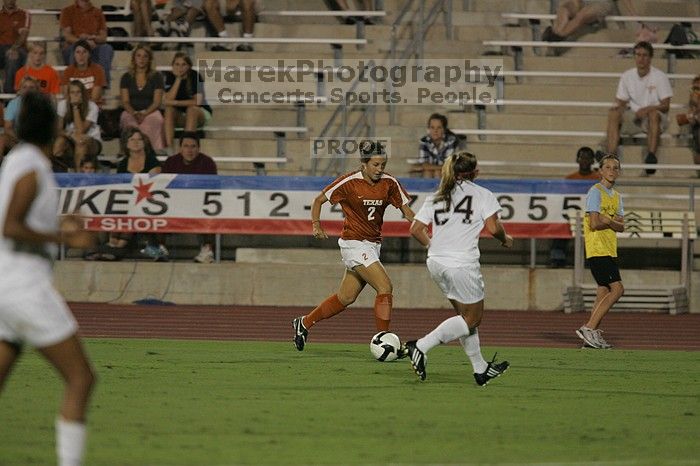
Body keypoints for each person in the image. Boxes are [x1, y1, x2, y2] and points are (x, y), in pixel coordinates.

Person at [0, 90, 96, 466]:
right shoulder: (32, 167)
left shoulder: (16, 160)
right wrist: (64, 236)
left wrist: (57, 224)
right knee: (81, 379)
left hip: (5, 287)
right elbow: (9, 225)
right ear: (54, 126)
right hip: (24, 288)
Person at [292, 142, 416, 352]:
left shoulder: (390, 183)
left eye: (383, 164)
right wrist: (316, 225)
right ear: (364, 164)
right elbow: (319, 200)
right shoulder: (349, 182)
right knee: (385, 287)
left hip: (373, 245)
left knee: (345, 298)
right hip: (353, 243)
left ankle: (304, 323)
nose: (380, 169)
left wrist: (422, 227)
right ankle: (383, 340)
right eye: (375, 164)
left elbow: (406, 210)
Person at [404, 152, 513, 385]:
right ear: (475, 172)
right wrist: (505, 239)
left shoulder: (438, 195)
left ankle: (480, 368)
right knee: (472, 319)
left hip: (436, 262)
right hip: (461, 264)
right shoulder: (483, 195)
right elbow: (493, 229)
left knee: (463, 318)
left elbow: (415, 229)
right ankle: (420, 346)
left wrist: (432, 246)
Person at [576, 154, 625, 349]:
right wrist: (609, 222)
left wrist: (609, 221)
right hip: (597, 248)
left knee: (603, 292)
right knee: (618, 289)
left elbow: (621, 226)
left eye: (615, 168)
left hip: (609, 249)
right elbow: (594, 223)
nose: (612, 171)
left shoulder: (617, 196)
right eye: (608, 167)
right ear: (601, 171)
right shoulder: (595, 192)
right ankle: (588, 328)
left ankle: (591, 336)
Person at [605, 41, 672, 175]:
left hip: (655, 117)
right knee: (613, 114)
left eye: (645, 55)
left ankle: (651, 156)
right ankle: (611, 156)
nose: (641, 58)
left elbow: (666, 105)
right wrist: (618, 107)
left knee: (653, 114)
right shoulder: (627, 76)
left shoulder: (660, 76)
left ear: (650, 57)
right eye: (638, 55)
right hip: (634, 116)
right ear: (634, 56)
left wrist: (647, 109)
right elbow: (621, 101)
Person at [161, 132, 217, 263]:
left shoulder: (207, 163)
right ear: (180, 148)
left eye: (193, 146)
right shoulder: (171, 162)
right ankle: (160, 248)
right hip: (173, 203)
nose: (189, 150)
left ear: (198, 148)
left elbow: (212, 187)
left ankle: (207, 250)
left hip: (199, 203)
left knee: (209, 212)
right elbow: (163, 186)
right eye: (186, 146)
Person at [550, 146, 600, 267]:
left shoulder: (598, 179)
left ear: (592, 161)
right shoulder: (569, 179)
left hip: (591, 216)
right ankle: (558, 260)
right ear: (577, 160)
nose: (584, 161)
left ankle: (592, 262)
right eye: (582, 158)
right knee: (559, 229)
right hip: (571, 216)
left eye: (588, 158)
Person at [162, 52, 212, 151]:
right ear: (173, 65)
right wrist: (178, 79)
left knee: (191, 110)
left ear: (189, 66)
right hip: (179, 115)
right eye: (177, 64)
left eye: (183, 64)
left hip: (199, 113)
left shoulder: (195, 75)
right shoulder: (169, 76)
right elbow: (168, 100)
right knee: (169, 110)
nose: (180, 67)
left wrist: (176, 103)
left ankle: (186, 148)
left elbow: (197, 102)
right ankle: (169, 149)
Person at [120, 45, 165, 151]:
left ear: (149, 59)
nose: (141, 59)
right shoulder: (126, 77)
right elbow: (125, 101)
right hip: (131, 111)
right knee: (127, 119)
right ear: (134, 58)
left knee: (155, 119)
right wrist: (134, 113)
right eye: (138, 56)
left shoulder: (157, 77)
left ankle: (153, 152)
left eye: (145, 56)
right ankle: (128, 152)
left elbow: (157, 102)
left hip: (150, 111)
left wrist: (144, 113)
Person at [59, 0, 114, 86]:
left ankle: (101, 85)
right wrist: (83, 42)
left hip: (93, 46)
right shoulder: (67, 11)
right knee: (77, 48)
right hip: (73, 46)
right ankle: (75, 86)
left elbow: (103, 37)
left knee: (106, 48)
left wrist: (93, 38)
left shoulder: (98, 12)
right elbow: (67, 36)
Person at [54, 80, 102, 171]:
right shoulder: (62, 105)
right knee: (58, 143)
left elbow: (81, 131)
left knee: (80, 142)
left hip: (92, 140)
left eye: (78, 92)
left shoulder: (92, 106)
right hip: (71, 138)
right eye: (72, 92)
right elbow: (58, 129)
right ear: (68, 94)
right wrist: (71, 135)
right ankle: (58, 174)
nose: (75, 95)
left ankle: (77, 176)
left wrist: (75, 107)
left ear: (83, 94)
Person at [542, 0, 637, 42]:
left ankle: (559, 34)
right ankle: (557, 32)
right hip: (584, 2)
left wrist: (634, 14)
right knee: (563, 8)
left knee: (581, 15)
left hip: (602, 3)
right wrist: (576, 7)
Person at [60, 39, 107, 105]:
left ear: (89, 54)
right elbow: (66, 95)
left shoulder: (98, 69)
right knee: (62, 105)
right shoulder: (68, 71)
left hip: (91, 105)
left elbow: (94, 97)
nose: (81, 55)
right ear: (74, 55)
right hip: (73, 105)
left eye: (84, 52)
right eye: (78, 52)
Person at [0, 74, 37, 157]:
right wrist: (21, 140)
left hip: (37, 142)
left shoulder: (43, 105)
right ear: (20, 90)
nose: (28, 90)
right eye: (25, 87)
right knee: (1, 139)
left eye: (31, 87)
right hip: (17, 140)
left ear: (36, 90)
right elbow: (8, 128)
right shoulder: (13, 104)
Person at [415, 113, 460, 178]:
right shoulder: (424, 142)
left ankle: (442, 188)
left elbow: (448, 166)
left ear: (444, 129)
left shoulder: (451, 141)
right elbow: (424, 165)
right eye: (432, 127)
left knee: (438, 173)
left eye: (439, 127)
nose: (435, 131)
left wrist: (433, 168)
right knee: (427, 173)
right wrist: (436, 168)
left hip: (449, 174)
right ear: (429, 129)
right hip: (430, 172)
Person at [0, 0, 30, 94]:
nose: (10, 0)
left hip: (19, 47)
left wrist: (14, 48)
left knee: (12, 58)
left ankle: (9, 96)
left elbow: (23, 35)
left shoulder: (23, 14)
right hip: (1, 48)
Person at [677, 75, 700, 176]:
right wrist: (693, 115)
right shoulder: (694, 94)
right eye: (695, 88)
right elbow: (692, 108)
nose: (696, 91)